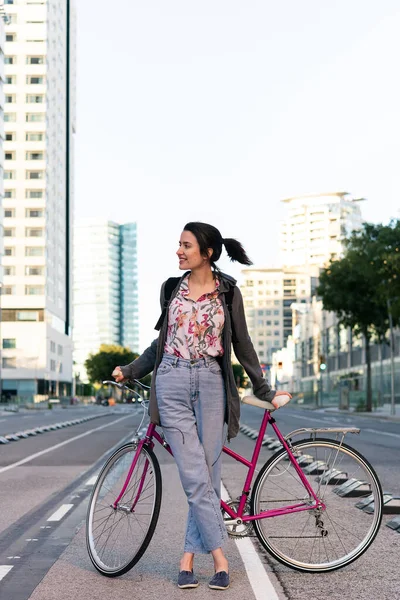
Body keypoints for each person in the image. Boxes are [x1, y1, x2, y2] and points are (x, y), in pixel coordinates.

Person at [112, 222, 291, 591]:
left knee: (206, 474)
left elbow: (243, 344)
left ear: (206, 253)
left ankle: (188, 560)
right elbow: (159, 345)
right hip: (172, 382)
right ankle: (222, 559)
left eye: (186, 246)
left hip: (211, 383)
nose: (179, 251)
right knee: (195, 475)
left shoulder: (228, 292)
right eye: (178, 244)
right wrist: (130, 370)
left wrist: (265, 388)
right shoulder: (170, 289)